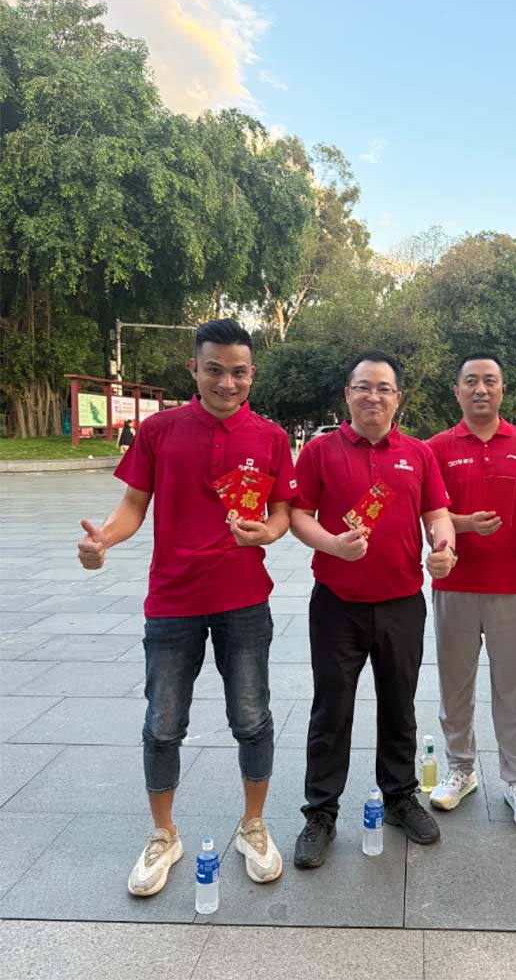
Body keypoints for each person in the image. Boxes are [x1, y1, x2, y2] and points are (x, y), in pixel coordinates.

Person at [77, 318, 296, 895]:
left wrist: (269, 533)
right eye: (214, 370)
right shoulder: (160, 431)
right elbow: (133, 505)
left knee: (252, 718)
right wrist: (104, 539)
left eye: (238, 372)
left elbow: (281, 512)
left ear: (252, 374)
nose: (227, 383)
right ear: (193, 369)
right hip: (172, 600)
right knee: (163, 723)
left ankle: (253, 825)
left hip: (244, 599)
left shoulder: (271, 437)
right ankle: (163, 834)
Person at [289, 350, 456, 868]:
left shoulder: (418, 454)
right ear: (348, 394)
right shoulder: (319, 451)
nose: (373, 396)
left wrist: (445, 547)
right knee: (331, 708)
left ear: (397, 398)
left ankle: (400, 796)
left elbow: (437, 513)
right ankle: (321, 811)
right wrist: (332, 545)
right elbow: (298, 515)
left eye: (384, 388)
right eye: (363, 386)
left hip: (402, 602)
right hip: (336, 604)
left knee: (399, 703)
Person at [426, 353, 516, 826]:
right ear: (457, 390)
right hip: (455, 585)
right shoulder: (437, 448)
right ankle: (460, 769)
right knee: (455, 685)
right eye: (471, 381)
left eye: (490, 381)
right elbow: (429, 515)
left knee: (514, 690)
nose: (480, 389)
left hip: (510, 588)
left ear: (503, 389)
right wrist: (463, 526)